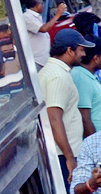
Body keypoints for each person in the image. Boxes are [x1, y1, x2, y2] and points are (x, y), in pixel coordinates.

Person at [39, 29, 93, 185]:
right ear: (70, 50)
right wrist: (69, 157)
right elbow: (54, 119)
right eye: (81, 49)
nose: (83, 54)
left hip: (62, 152)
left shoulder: (54, 71)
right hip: (62, 154)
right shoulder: (58, 76)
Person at [73, 37, 101, 137]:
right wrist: (94, 146)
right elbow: (85, 118)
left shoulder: (88, 76)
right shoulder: (81, 78)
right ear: (96, 58)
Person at [20, 0, 65, 67]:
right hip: (36, 59)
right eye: (42, 4)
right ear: (37, 5)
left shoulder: (35, 16)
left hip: (42, 58)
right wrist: (57, 15)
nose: (43, 6)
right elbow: (43, 29)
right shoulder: (27, 17)